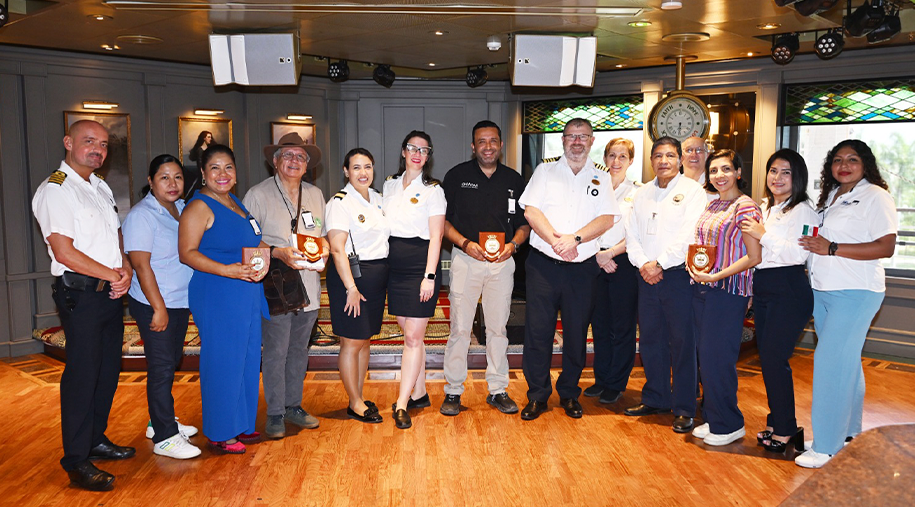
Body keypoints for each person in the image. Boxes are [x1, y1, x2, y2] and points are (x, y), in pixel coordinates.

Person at [32, 120, 135, 491]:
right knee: (82, 376)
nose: (98, 150)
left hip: (107, 291)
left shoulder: (99, 185)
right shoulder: (56, 190)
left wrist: (122, 267)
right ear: (68, 142)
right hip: (80, 295)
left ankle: (95, 440)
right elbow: (64, 251)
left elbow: (113, 236)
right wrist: (113, 273)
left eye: (104, 144)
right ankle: (76, 460)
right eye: (89, 142)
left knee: (106, 372)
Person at [795, 139, 897, 468]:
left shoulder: (875, 196)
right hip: (825, 290)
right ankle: (847, 432)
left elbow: (886, 246)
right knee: (846, 364)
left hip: (856, 291)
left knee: (830, 365)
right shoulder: (831, 197)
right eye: (838, 160)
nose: (844, 165)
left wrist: (833, 248)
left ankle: (827, 446)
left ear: (865, 164)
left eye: (852, 159)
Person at [517, 118, 620, 421]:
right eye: (571, 136)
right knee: (538, 332)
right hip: (543, 266)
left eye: (583, 136)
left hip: (582, 269)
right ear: (562, 140)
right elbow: (531, 211)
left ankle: (569, 393)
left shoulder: (601, 177)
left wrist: (574, 239)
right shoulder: (545, 170)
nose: (577, 141)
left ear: (591, 140)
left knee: (576, 333)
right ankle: (537, 395)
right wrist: (556, 241)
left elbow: (607, 219)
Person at [178, 144, 269, 454]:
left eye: (228, 167)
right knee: (222, 361)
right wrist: (227, 270)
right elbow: (187, 253)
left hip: (245, 290)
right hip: (217, 291)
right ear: (203, 173)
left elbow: (254, 241)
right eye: (214, 168)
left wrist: (281, 252)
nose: (222, 174)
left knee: (245, 359)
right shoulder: (199, 206)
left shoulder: (235, 203)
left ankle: (241, 423)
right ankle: (220, 431)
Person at [440, 120, 530, 416]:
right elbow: (442, 222)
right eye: (482, 141)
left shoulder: (514, 179)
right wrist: (465, 244)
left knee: (498, 328)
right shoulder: (456, 176)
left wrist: (513, 246)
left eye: (493, 141)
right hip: (467, 260)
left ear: (501, 145)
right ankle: (453, 390)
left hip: (502, 263)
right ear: (473, 146)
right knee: (460, 328)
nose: (488, 146)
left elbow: (524, 224)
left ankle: (498, 389)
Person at [243, 133, 326, 439]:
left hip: (309, 285)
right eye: (287, 156)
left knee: (298, 350)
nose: (294, 161)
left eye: (300, 157)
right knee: (276, 350)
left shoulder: (316, 195)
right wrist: (277, 252)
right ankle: (275, 412)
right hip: (274, 285)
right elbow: (248, 240)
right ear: (275, 161)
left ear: (308, 165)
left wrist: (326, 249)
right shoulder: (257, 194)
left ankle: (294, 405)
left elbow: (324, 235)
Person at [624, 136, 706, 433]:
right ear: (651, 160)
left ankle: (684, 406)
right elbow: (631, 232)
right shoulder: (642, 193)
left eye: (670, 156)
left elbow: (690, 234)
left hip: (677, 275)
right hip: (645, 274)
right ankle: (656, 397)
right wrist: (644, 264)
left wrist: (659, 264)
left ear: (680, 159)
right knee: (650, 339)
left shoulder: (693, 191)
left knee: (683, 341)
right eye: (658, 156)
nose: (663, 161)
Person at [739, 149, 817, 453]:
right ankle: (777, 422)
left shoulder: (804, 211)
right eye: (773, 171)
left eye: (786, 172)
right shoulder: (767, 208)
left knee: (774, 359)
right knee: (768, 358)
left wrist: (764, 233)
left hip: (790, 288)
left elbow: (799, 254)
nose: (778, 178)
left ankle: (786, 429)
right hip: (765, 286)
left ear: (797, 177)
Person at [123, 154, 200, 459]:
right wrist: (159, 308)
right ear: (150, 181)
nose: (172, 184)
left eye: (178, 177)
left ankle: (158, 424)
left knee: (170, 362)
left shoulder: (181, 208)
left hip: (179, 300)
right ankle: (166, 439)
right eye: (164, 177)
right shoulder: (142, 215)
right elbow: (141, 266)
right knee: (161, 368)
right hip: (156, 302)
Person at [687, 150, 762, 446]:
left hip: (728, 291)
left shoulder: (746, 207)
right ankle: (714, 416)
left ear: (738, 172)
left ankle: (730, 423)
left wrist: (717, 276)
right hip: (703, 287)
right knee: (706, 357)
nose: (720, 175)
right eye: (714, 170)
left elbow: (754, 256)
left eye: (726, 169)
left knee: (719, 358)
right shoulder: (714, 203)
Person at [383, 130, 447, 430]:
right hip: (393, 266)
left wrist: (430, 276)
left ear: (429, 155)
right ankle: (420, 392)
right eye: (413, 148)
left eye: (424, 149)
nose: (418, 153)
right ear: (403, 151)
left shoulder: (434, 190)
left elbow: (436, 237)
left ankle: (401, 403)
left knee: (412, 337)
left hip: (421, 264)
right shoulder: (388, 184)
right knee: (407, 329)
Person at [325, 148, 390, 424]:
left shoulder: (377, 199)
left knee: (365, 340)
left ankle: (359, 395)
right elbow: (337, 250)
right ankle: (354, 402)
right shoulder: (339, 202)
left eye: (367, 167)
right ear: (345, 171)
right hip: (351, 278)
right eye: (356, 168)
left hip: (376, 276)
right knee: (351, 342)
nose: (363, 173)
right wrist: (351, 287)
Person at [585, 138, 640, 405]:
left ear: (631, 161)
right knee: (600, 325)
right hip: (595, 260)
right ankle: (602, 378)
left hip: (623, 262)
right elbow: (585, 223)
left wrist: (611, 253)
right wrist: (599, 253)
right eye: (611, 156)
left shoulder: (639, 192)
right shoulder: (594, 187)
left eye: (622, 156)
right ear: (604, 159)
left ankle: (617, 382)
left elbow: (638, 234)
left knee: (622, 327)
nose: (616, 162)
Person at [185, 130, 213, 199]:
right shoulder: (200, 150)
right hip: (203, 174)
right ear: (204, 138)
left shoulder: (209, 149)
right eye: (208, 137)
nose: (210, 139)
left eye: (210, 137)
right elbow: (200, 163)